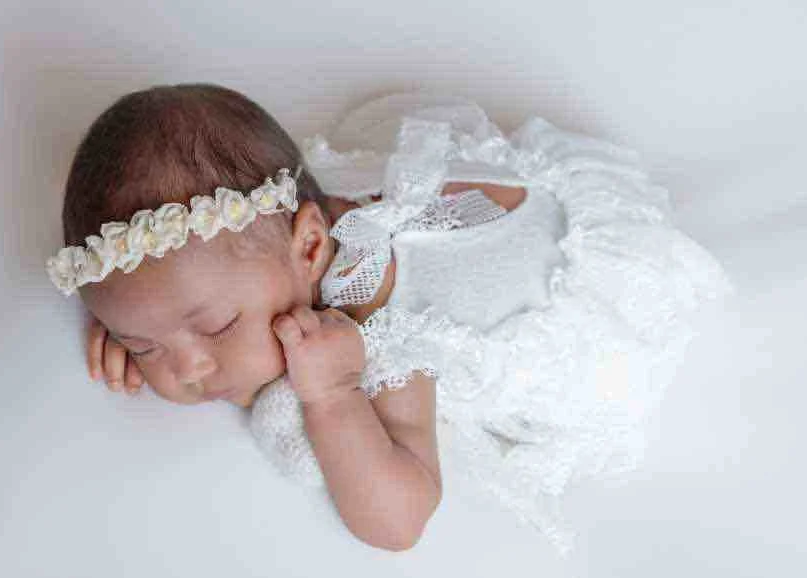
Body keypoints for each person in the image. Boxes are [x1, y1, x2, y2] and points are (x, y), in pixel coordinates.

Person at [46, 85, 733, 554]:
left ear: (312, 247)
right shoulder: (253, 258)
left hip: (564, 276)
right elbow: (173, 301)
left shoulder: (381, 324)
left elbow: (399, 520)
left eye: (217, 328)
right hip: (462, 208)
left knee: (601, 384)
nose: (187, 371)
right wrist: (144, 328)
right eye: (145, 346)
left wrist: (331, 396)